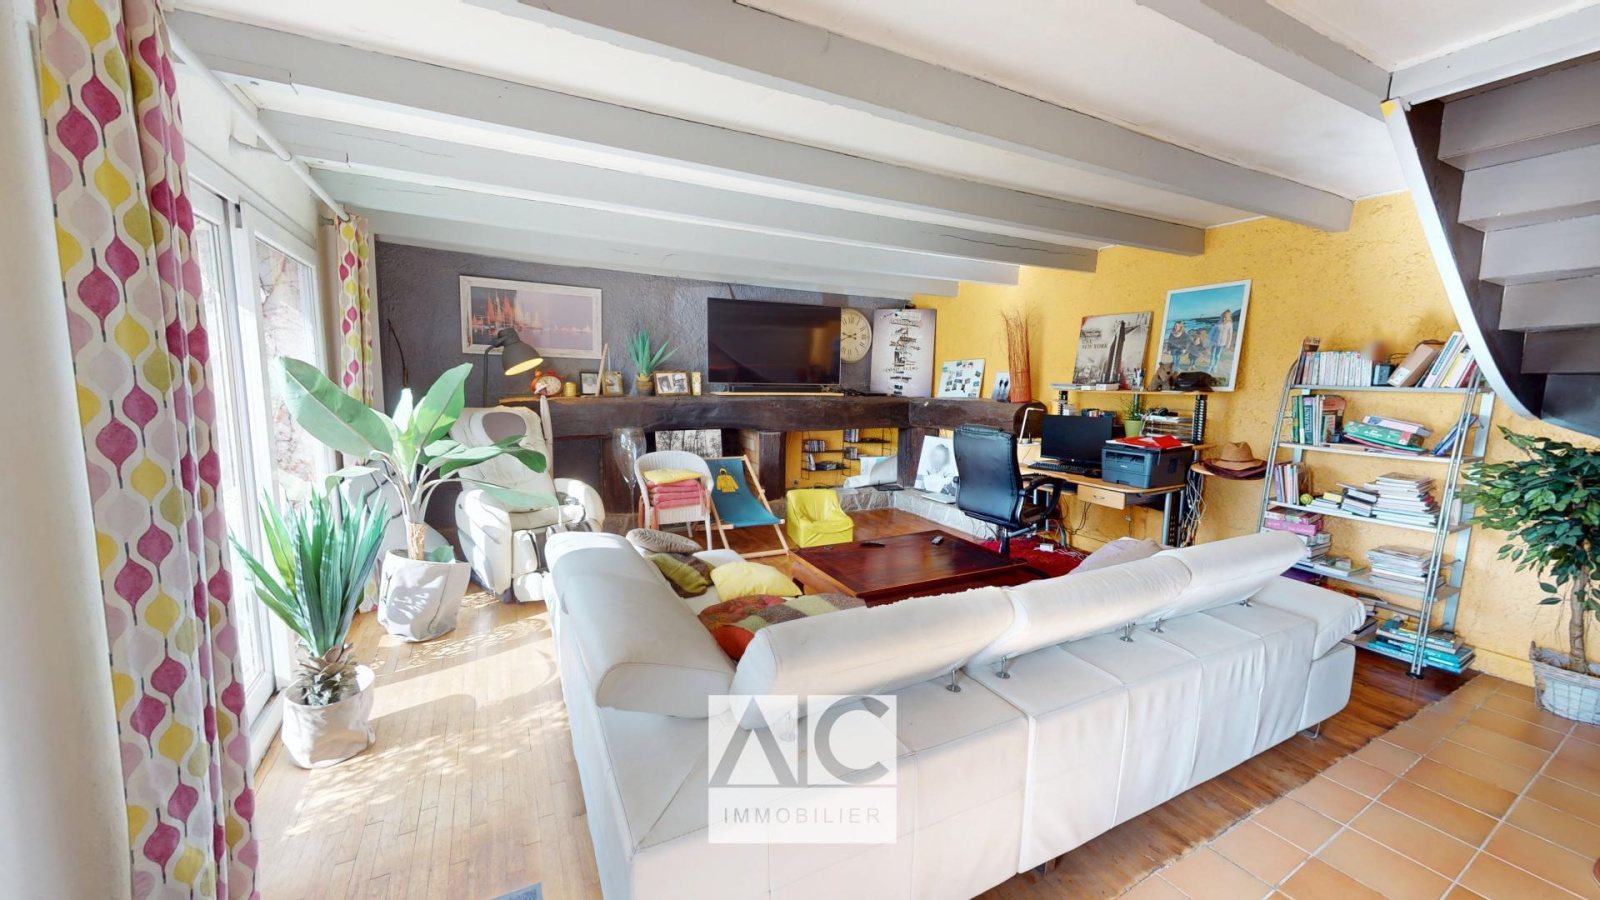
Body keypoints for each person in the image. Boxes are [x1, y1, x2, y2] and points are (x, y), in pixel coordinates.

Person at [1209, 309, 1235, 377]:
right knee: (1212, 355)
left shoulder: (1230, 325)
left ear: (1228, 317)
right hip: (1215, 341)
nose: (1224, 319)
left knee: (1217, 355)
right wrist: (1210, 340)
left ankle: (1215, 366)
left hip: (1222, 343)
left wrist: (1228, 344)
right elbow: (1213, 332)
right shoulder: (1218, 323)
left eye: (1225, 317)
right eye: (1223, 317)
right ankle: (1210, 366)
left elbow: (1230, 335)